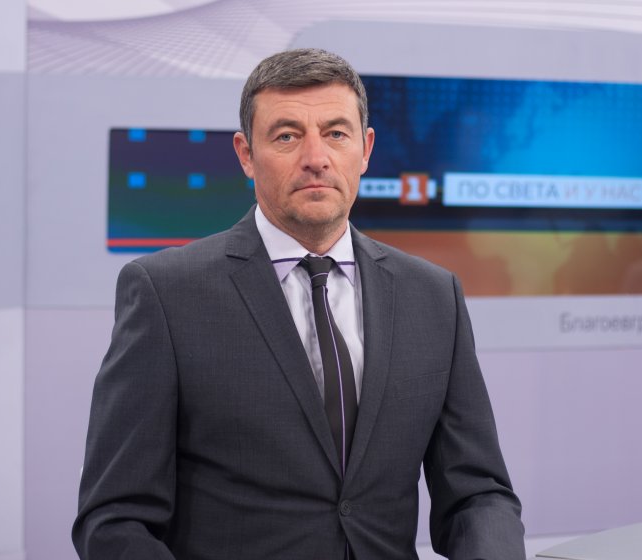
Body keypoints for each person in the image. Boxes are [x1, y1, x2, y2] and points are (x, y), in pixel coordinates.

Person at [73, 48, 525, 560]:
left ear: (365, 149)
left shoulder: (433, 295)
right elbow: (115, 520)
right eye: (287, 136)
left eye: (336, 133)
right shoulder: (167, 293)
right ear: (246, 154)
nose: (316, 157)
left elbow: (477, 495)